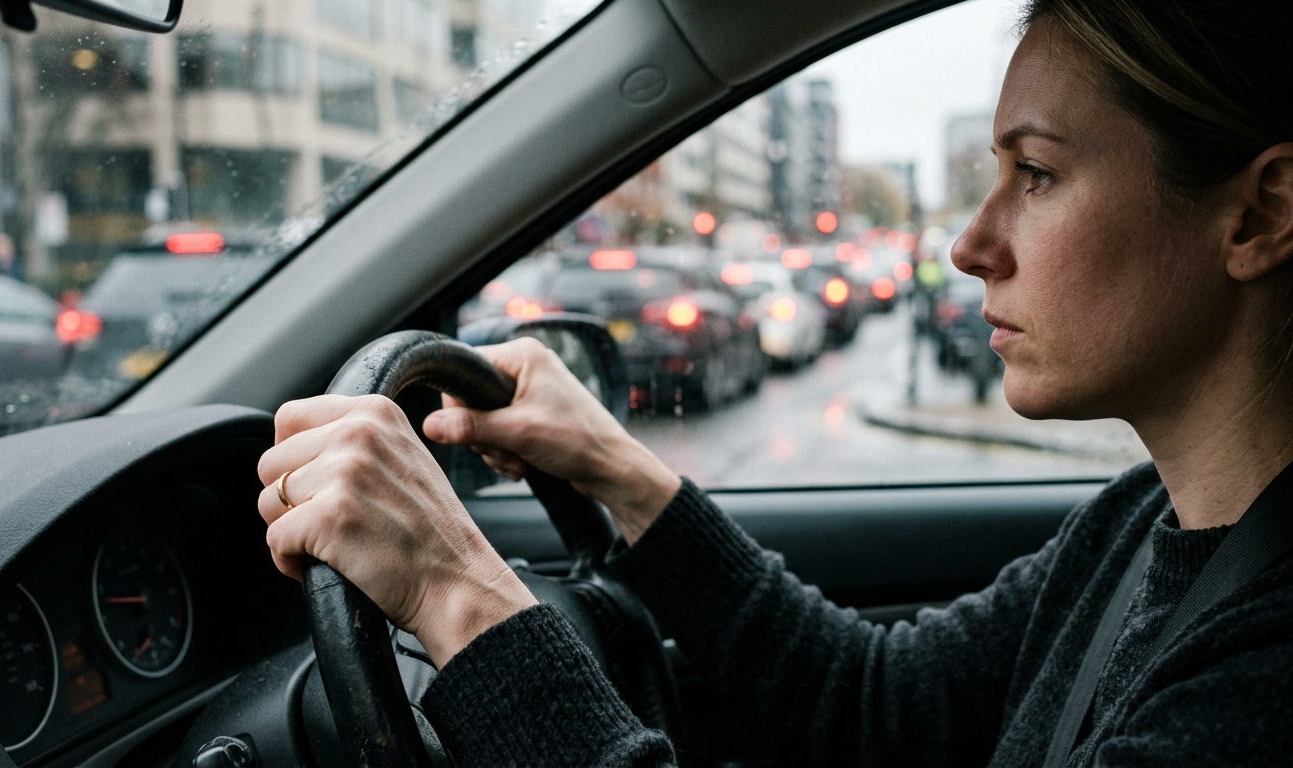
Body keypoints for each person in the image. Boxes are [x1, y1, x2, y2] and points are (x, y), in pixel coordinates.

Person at [256, 0, 1293, 763]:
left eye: (1035, 174)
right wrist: (617, 468)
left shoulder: (1261, 676)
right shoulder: (1139, 519)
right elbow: (874, 703)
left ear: (1256, 215)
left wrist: (456, 594)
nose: (969, 245)